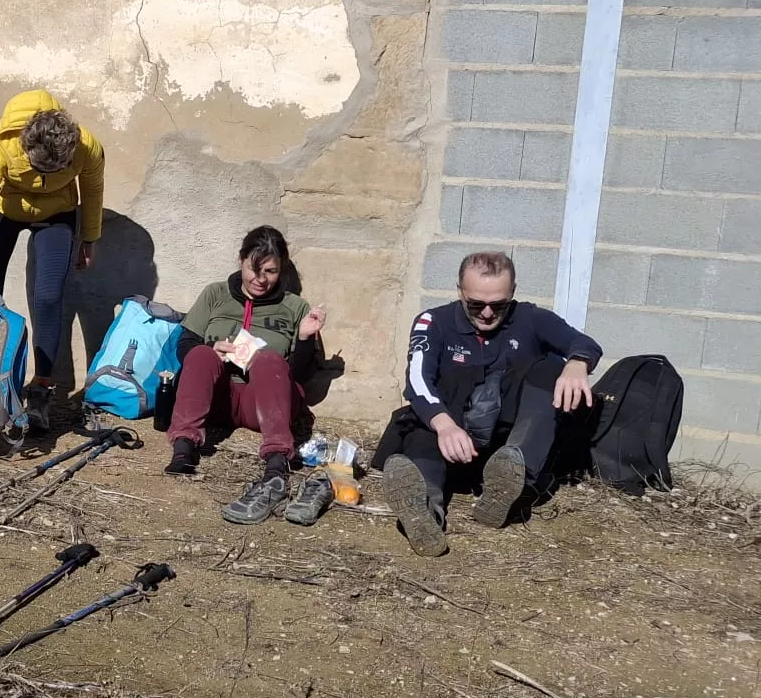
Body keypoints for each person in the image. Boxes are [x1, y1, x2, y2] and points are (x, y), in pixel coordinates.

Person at [373, 250, 601, 557]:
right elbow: (417, 380)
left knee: (549, 368)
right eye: (476, 304)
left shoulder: (531, 318)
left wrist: (576, 364)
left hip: (503, 444)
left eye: (499, 304)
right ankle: (425, 514)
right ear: (459, 291)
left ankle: (508, 482)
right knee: (420, 430)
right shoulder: (433, 321)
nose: (488, 313)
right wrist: (444, 425)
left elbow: (584, 343)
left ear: (513, 293)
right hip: (447, 437)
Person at [163, 226, 328, 524]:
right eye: (253, 269)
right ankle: (184, 445)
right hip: (217, 398)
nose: (260, 280)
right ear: (240, 261)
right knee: (200, 353)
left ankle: (277, 461)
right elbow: (184, 345)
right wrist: (213, 349)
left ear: (282, 270)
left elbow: (299, 376)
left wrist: (304, 338)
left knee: (269, 361)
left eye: (270, 271)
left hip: (263, 404)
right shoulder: (215, 294)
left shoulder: (295, 307)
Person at [0, 90, 105, 422]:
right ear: (26, 146)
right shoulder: (3, 143)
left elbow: (93, 191)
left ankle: (41, 389)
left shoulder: (87, 146)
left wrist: (90, 239)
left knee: (49, 297)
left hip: (57, 214)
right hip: (7, 210)